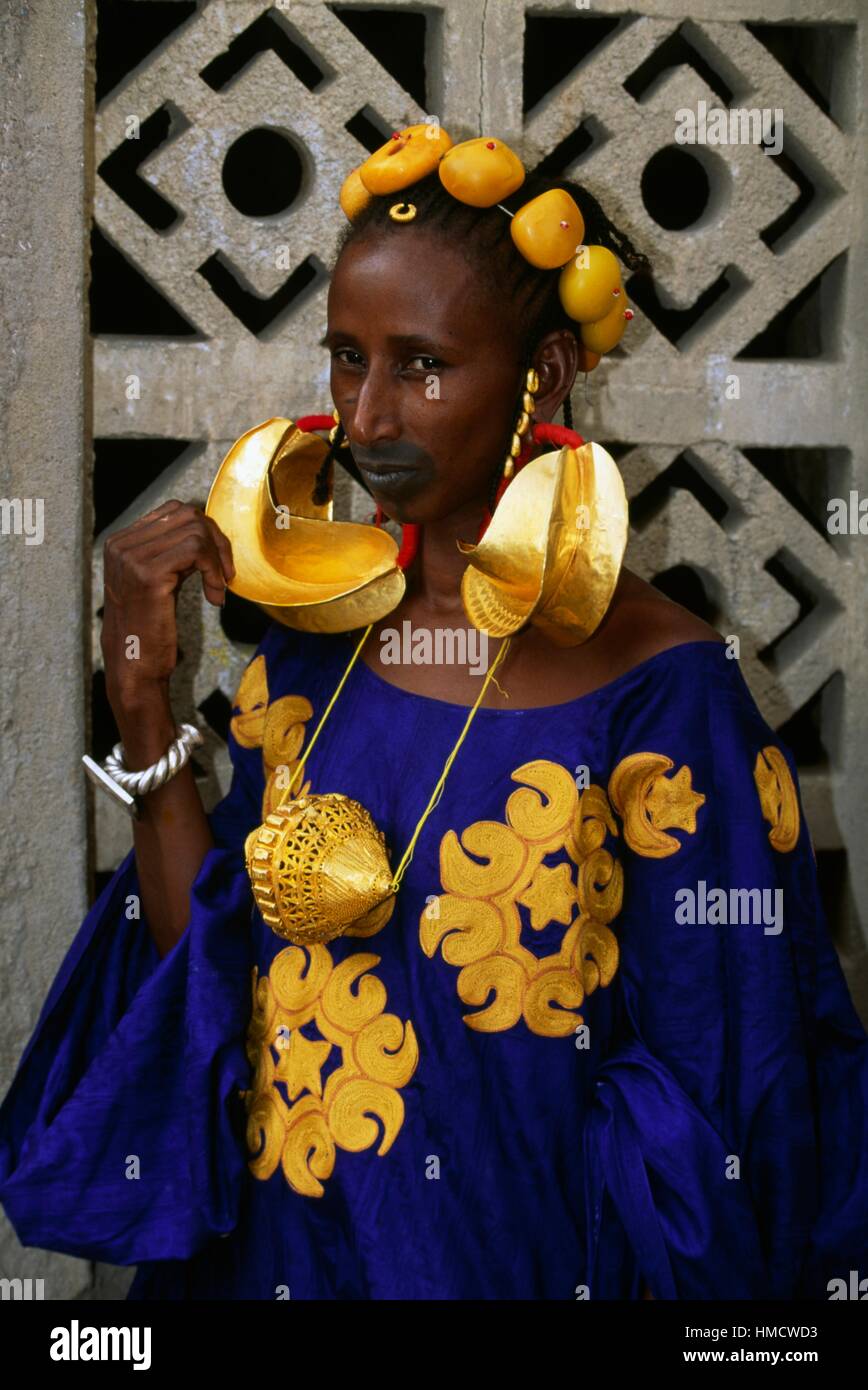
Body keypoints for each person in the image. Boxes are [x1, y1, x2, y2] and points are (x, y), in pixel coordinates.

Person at [0, 134, 866, 1302]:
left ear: (544, 373)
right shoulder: (317, 633)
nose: (362, 420)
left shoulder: (664, 686)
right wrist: (142, 697)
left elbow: (738, 1095)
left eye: (421, 367)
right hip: (280, 1262)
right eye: (345, 360)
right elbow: (200, 971)